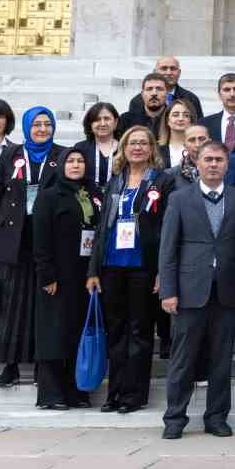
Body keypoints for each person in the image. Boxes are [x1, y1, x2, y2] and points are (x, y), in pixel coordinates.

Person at [157, 142, 235, 439]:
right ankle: (174, 418)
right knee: (182, 359)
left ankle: (216, 417)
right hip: (189, 291)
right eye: (208, 160)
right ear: (196, 163)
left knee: (221, 359)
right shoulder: (179, 199)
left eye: (219, 160)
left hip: (227, 291)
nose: (213, 165)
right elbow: (168, 249)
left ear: (227, 165)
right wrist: (168, 290)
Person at [0, 104, 70, 388]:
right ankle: (10, 364)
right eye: (37, 125)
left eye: (47, 124)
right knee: (11, 304)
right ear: (27, 127)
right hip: (13, 239)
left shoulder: (63, 155)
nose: (42, 129)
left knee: (44, 303)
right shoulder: (11, 154)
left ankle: (41, 363)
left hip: (48, 242)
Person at [87, 125, 172, 413]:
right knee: (116, 331)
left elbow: (166, 229)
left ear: (151, 149)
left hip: (142, 267)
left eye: (143, 143)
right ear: (123, 148)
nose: (137, 147)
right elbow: (101, 229)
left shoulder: (161, 181)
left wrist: (163, 270)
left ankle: (134, 395)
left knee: (140, 331)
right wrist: (93, 270)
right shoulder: (115, 180)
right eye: (132, 143)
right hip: (111, 266)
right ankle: (116, 393)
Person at [30, 147, 98, 409]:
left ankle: (76, 391)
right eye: (70, 161)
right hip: (56, 277)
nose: (76, 165)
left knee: (76, 333)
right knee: (54, 334)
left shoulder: (93, 195)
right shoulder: (49, 197)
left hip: (83, 277)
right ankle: (51, 394)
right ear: (61, 165)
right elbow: (40, 238)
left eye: (81, 161)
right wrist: (47, 274)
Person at [74, 102, 121, 193]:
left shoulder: (126, 148)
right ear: (90, 124)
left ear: (115, 122)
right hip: (87, 201)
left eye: (107, 119)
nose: (102, 124)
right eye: (97, 119)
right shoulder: (80, 148)